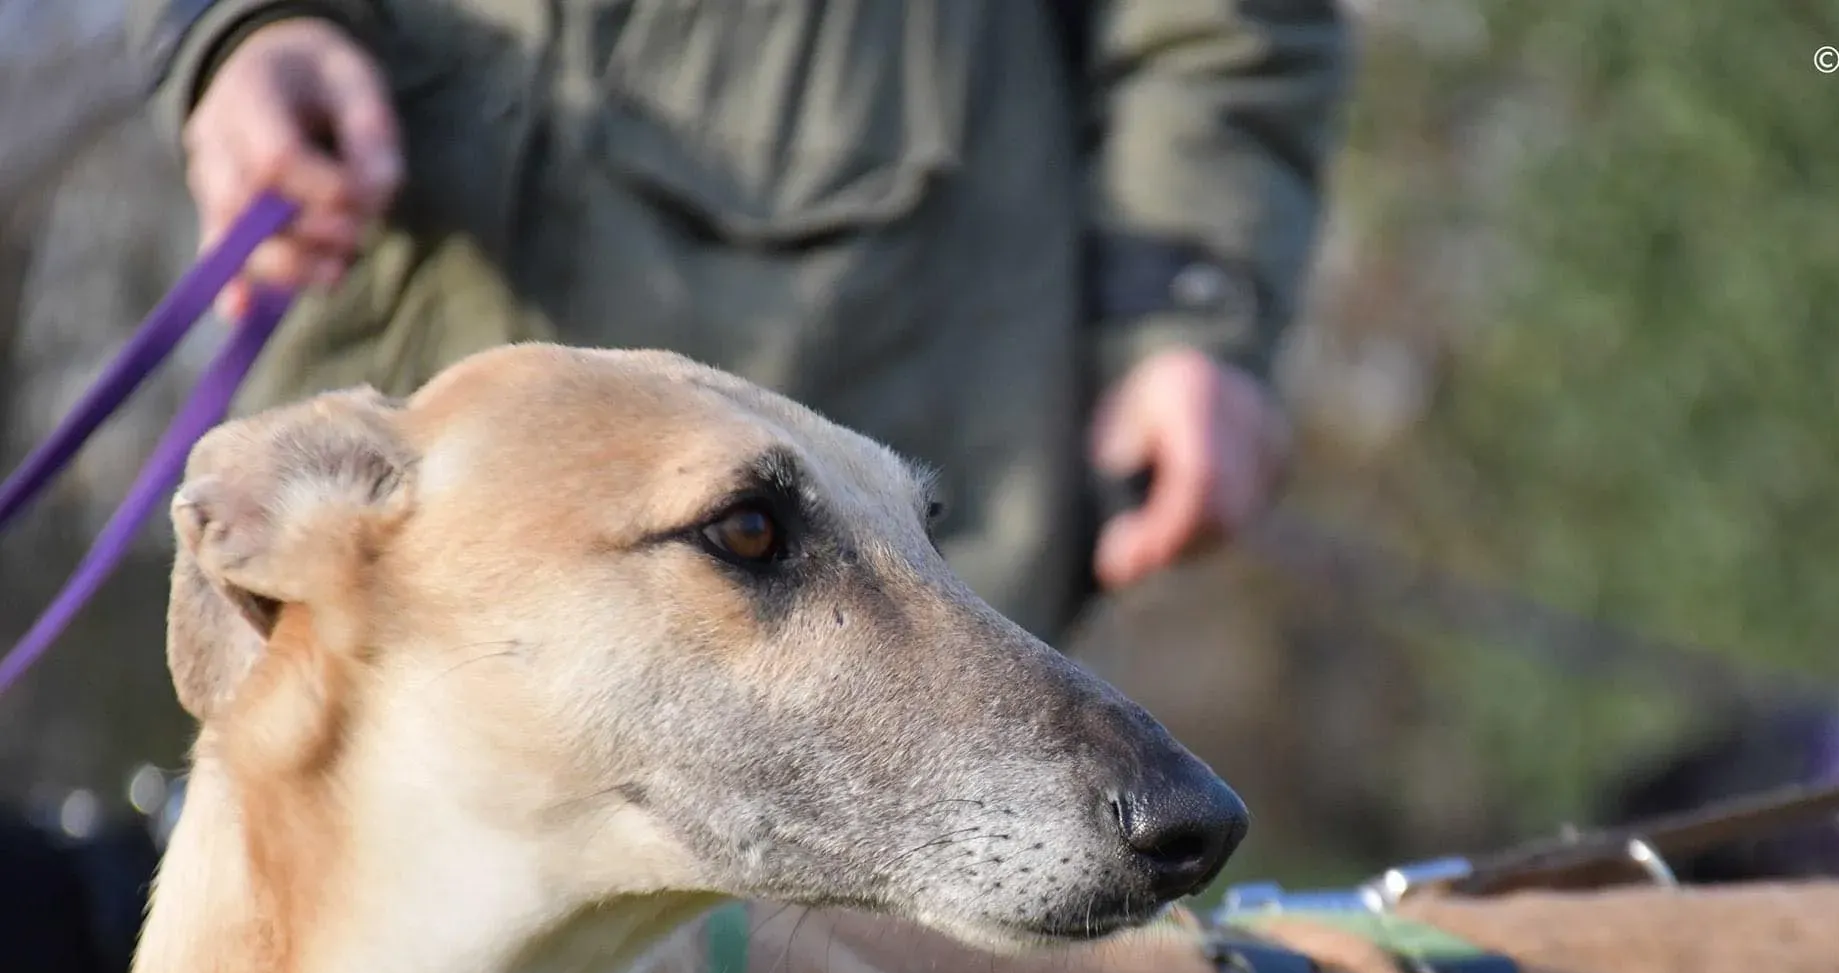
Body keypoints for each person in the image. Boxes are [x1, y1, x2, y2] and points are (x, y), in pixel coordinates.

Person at [127, 2, 1346, 641]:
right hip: (380, 402)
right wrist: (241, 30)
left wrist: (1186, 309)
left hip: (884, 374)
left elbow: (1222, 25)